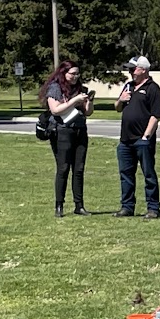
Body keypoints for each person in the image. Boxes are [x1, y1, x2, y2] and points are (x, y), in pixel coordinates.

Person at [40, 60, 94, 217]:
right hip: (62, 132)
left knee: (79, 169)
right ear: (64, 73)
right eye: (72, 74)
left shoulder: (80, 89)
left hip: (80, 131)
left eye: (78, 74)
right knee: (63, 168)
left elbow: (88, 112)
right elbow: (55, 110)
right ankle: (59, 205)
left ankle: (79, 205)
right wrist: (74, 101)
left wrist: (88, 102)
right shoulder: (55, 88)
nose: (76, 77)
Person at [113, 55, 160, 219]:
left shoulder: (152, 89)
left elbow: (155, 116)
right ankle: (127, 206)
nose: (130, 72)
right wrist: (121, 100)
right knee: (126, 174)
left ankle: (153, 208)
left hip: (142, 140)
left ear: (143, 69)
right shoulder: (128, 86)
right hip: (125, 140)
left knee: (148, 174)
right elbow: (117, 108)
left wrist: (145, 136)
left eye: (133, 69)